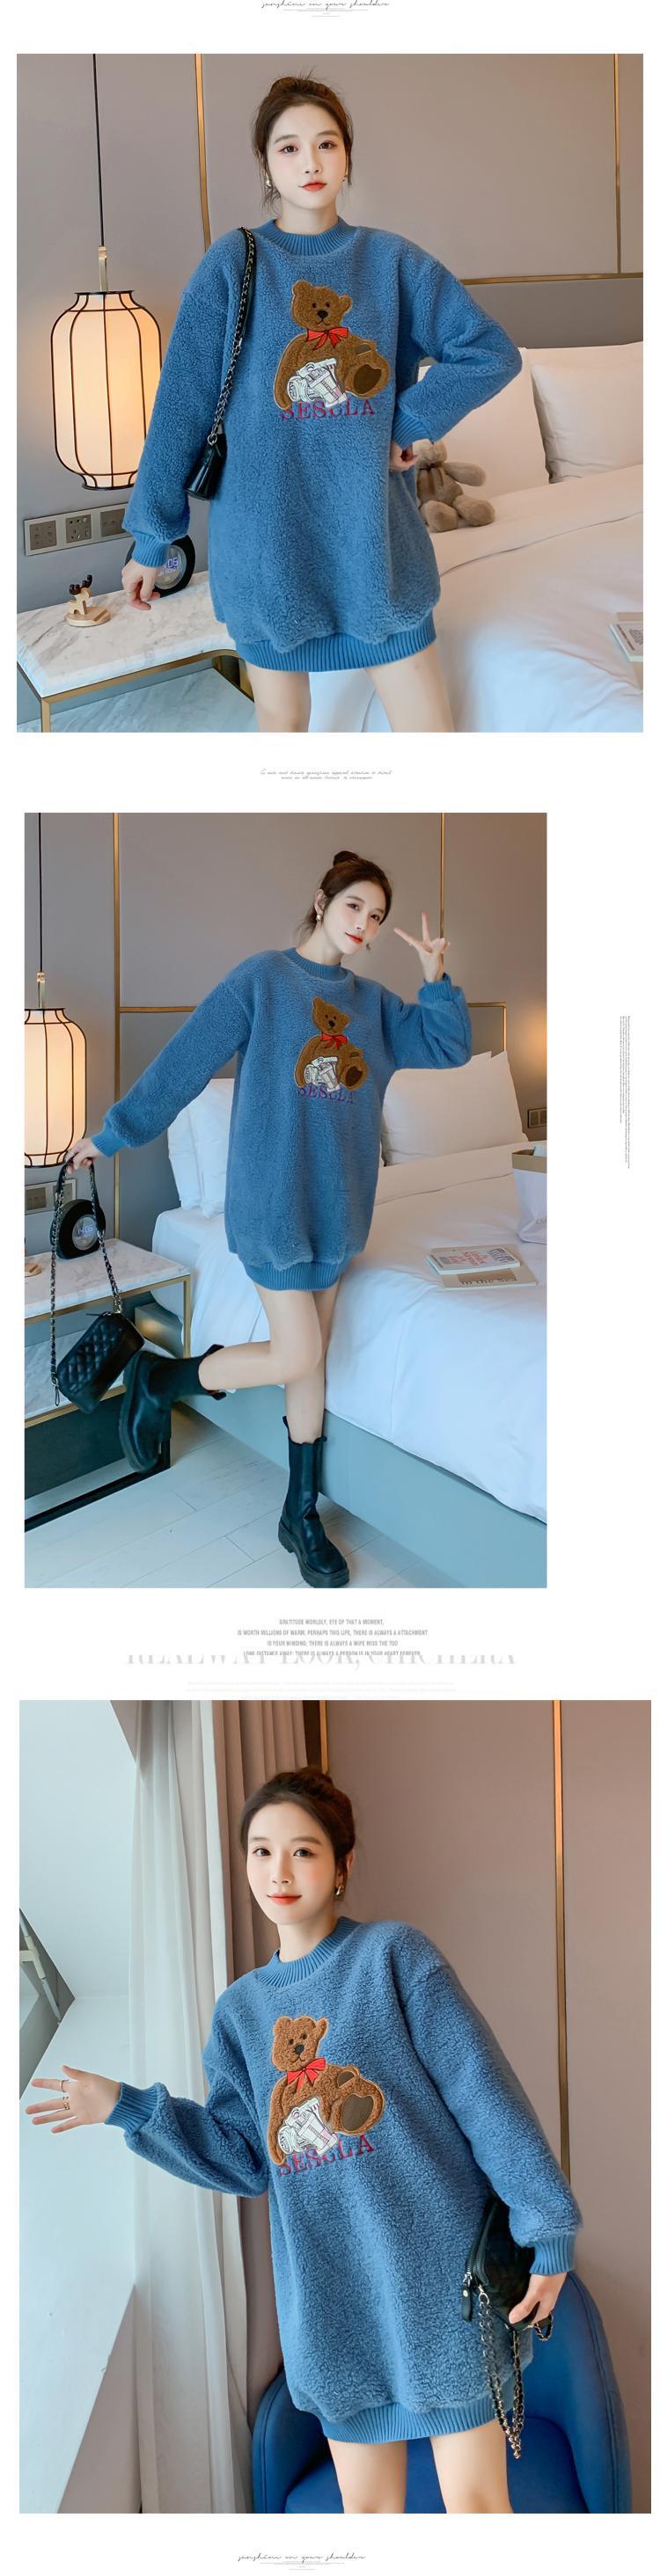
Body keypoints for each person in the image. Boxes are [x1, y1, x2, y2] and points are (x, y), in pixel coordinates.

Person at [26, 1765, 581, 2515]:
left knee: (478, 2512)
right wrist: (127, 2108)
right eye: (260, 1851)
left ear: (342, 1865)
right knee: (367, 2521)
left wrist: (547, 2226)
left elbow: (484, 2093)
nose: (278, 1872)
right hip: (331, 2304)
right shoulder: (240, 2013)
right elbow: (243, 2156)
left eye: (303, 1851)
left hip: (440, 2289)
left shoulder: (394, 1957)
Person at [69, 853, 472, 1587]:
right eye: (354, 905)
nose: (364, 924)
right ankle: (162, 1379)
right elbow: (186, 1062)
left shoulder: (374, 1006)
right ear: (322, 901)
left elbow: (449, 1046)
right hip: (273, 1208)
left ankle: (299, 1512)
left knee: (310, 1360)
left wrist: (437, 977)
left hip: (340, 1211)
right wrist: (114, 1133)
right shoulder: (262, 979)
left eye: (377, 916)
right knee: (297, 1352)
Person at [121, 72, 522, 734]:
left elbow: (489, 351)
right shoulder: (232, 264)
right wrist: (152, 538)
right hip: (266, 547)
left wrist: (407, 423)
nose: (310, 162)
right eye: (289, 147)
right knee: (283, 729)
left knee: (430, 735)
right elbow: (181, 408)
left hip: (374, 547)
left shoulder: (392, 262)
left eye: (326, 144)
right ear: (266, 163)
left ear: (347, 158)